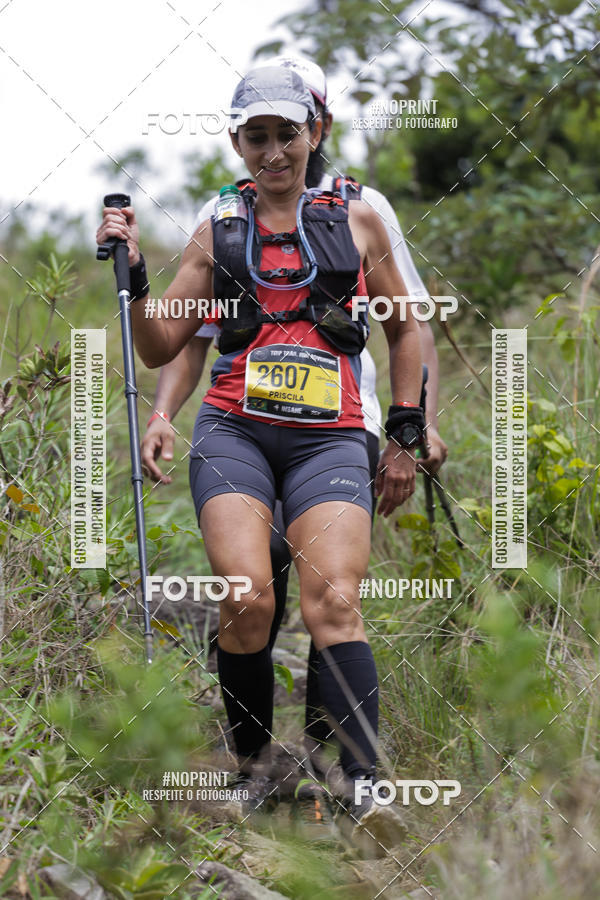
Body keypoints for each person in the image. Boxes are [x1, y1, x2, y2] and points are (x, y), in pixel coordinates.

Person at [97, 65, 424, 845]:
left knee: (333, 602)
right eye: (257, 136)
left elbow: (406, 327)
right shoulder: (218, 226)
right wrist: (134, 272)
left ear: (315, 132)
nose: (273, 150)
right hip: (234, 432)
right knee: (246, 600)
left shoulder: (359, 217)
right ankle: (250, 768)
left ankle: (364, 786)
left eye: (287, 133)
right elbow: (160, 345)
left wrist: (406, 433)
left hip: (332, 435)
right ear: (237, 141)